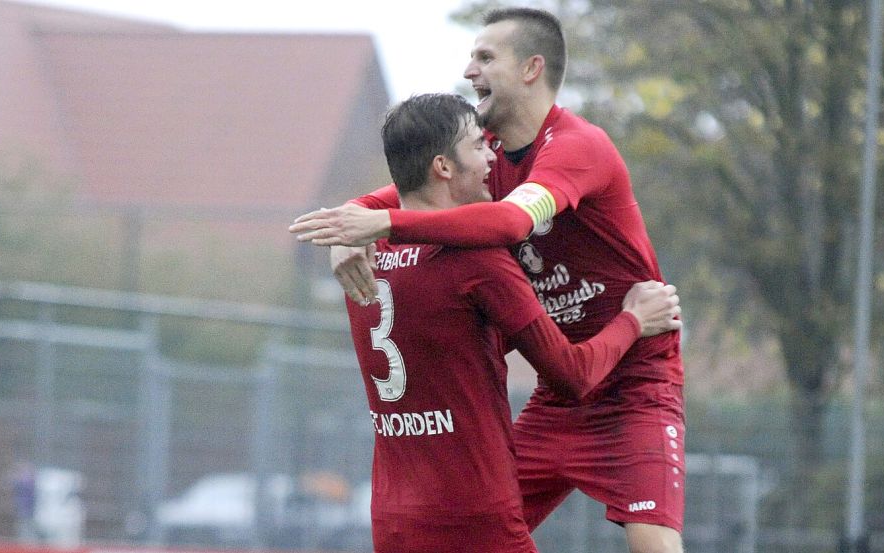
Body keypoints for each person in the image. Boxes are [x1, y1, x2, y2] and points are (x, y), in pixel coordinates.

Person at [290, 8, 686, 553]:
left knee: (651, 542)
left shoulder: (576, 148)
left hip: (632, 384)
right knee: (472, 514)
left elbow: (510, 222)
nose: (469, 70)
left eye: (484, 57)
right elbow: (399, 190)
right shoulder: (484, 156)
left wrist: (380, 224)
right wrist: (345, 231)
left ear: (531, 68)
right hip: (558, 390)